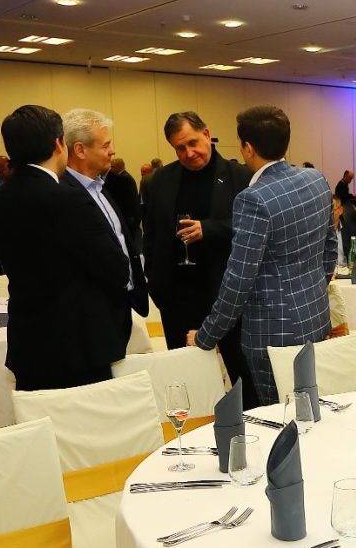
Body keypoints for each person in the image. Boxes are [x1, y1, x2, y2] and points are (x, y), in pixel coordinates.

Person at [187, 105, 336, 403]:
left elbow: (238, 280)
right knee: (313, 409)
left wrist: (206, 336)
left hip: (273, 334)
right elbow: (330, 249)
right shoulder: (316, 179)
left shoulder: (253, 199)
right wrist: (310, 292)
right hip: (317, 317)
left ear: (247, 147)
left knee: (280, 415)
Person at [0, 104, 130, 391]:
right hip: (77, 346)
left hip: (28, 341)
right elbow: (115, 269)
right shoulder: (68, 199)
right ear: (58, 144)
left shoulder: (1, 197)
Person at [142, 111, 255, 404]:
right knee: (186, 382)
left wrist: (210, 229)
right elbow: (151, 235)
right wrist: (156, 284)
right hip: (178, 297)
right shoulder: (160, 181)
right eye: (180, 148)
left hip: (227, 293)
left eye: (193, 143)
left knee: (242, 375)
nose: (189, 153)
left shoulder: (240, 177)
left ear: (206, 134)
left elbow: (251, 229)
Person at [60, 108, 148, 345]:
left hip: (120, 305)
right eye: (105, 145)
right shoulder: (63, 194)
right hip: (92, 314)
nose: (112, 151)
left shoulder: (101, 187)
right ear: (80, 150)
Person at [103, 156, 142, 244]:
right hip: (130, 217)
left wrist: (132, 218)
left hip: (129, 217)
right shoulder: (124, 177)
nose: (110, 169)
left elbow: (130, 200)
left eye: (112, 166)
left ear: (118, 166)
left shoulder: (124, 178)